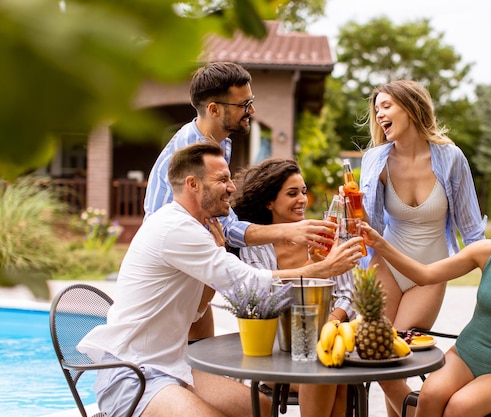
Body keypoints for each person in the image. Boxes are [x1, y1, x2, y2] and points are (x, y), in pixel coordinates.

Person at [77, 142, 364, 417]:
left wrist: (215, 258)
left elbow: (199, 307)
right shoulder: (175, 227)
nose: (232, 187)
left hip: (174, 365)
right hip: (135, 373)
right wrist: (322, 270)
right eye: (223, 179)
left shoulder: (197, 228)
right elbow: (248, 283)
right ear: (193, 184)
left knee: (261, 408)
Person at [143, 62, 336, 339]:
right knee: (179, 360)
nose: (252, 111)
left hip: (197, 266)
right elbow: (163, 227)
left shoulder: (220, 144)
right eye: (244, 104)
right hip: (174, 271)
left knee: (202, 357)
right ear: (214, 109)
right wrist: (297, 239)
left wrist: (295, 231)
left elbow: (229, 226)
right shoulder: (190, 154)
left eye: (252, 101)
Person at [361, 171, 491, 417]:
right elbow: (424, 275)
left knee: (459, 407)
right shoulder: (486, 251)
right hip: (465, 355)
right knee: (429, 396)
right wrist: (379, 243)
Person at [358, 79, 486, 417]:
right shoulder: (375, 160)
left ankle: (412, 412)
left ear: (411, 107)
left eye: (386, 105)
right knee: (376, 354)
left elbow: (472, 229)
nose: (379, 113)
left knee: (397, 354)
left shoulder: (450, 158)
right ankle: (412, 411)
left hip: (430, 271)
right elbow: (365, 228)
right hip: (386, 262)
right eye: (377, 108)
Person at [232, 158, 355, 417]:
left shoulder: (322, 234)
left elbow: (348, 292)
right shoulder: (255, 247)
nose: (302, 200)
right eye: (292, 193)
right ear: (269, 202)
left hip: (326, 342)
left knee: (336, 373)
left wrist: (329, 324)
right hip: (279, 348)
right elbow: (264, 296)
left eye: (303, 191)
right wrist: (312, 266)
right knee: (330, 375)